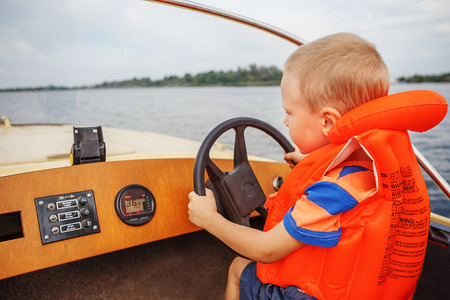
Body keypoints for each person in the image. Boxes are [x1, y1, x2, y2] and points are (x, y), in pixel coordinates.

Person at [188, 32, 447, 300]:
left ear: (327, 122)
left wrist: (210, 220)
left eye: (290, 112)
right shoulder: (373, 171)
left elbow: (265, 249)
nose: (286, 121)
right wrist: (308, 165)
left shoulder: (330, 194)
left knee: (239, 268)